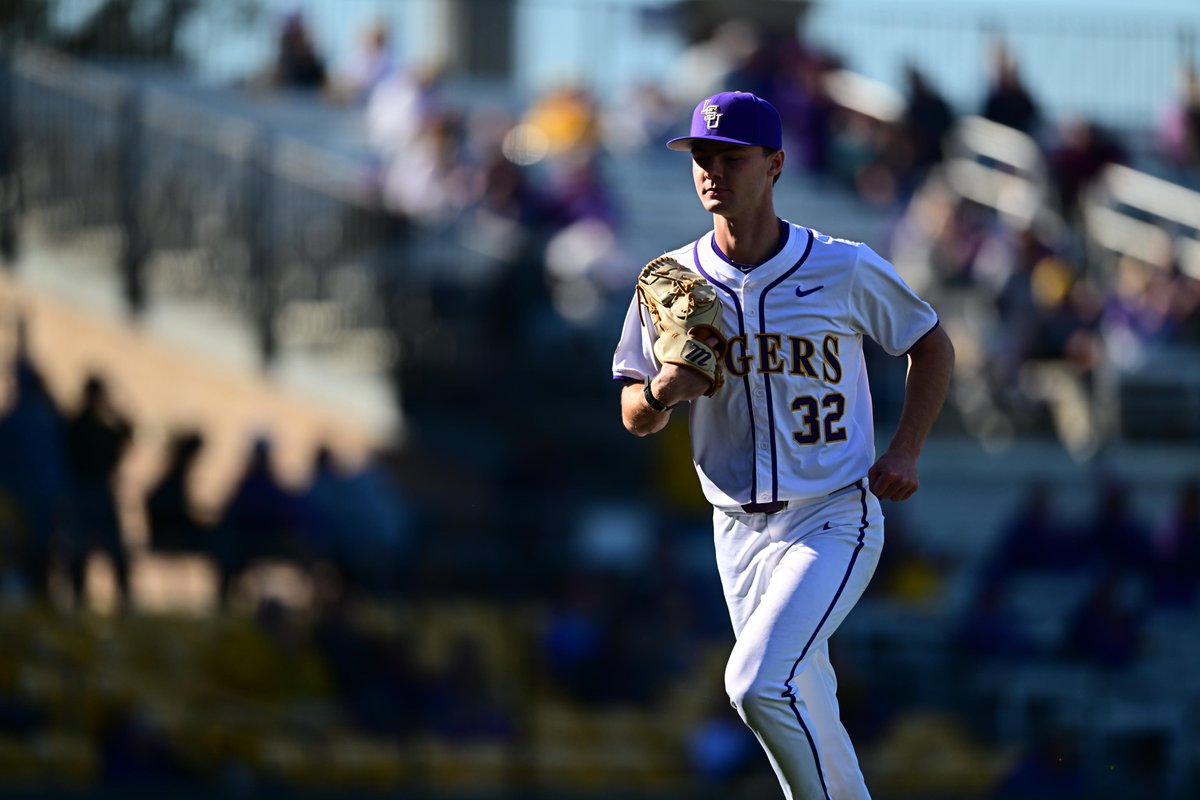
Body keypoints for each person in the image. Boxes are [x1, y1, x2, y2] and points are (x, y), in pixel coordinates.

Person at [611, 91, 955, 798]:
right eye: (701, 157)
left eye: (731, 158)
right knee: (807, 699)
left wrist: (906, 448)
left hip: (831, 512)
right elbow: (632, 415)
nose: (712, 171)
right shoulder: (671, 281)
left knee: (756, 683)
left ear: (774, 165)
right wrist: (663, 392)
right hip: (735, 530)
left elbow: (931, 344)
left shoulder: (842, 266)